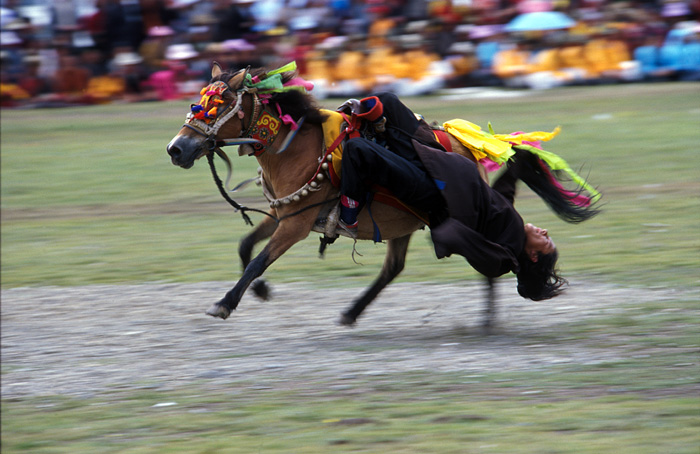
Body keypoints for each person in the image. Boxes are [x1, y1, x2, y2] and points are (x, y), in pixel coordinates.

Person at [337, 92, 587, 301]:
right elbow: (499, 196)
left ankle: (349, 213)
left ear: (533, 255)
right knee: (387, 101)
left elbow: (453, 235)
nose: (545, 232)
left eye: (546, 241)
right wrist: (518, 163)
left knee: (357, 150)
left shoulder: (499, 259)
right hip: (443, 164)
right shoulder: (513, 228)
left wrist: (451, 222)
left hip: (433, 192)